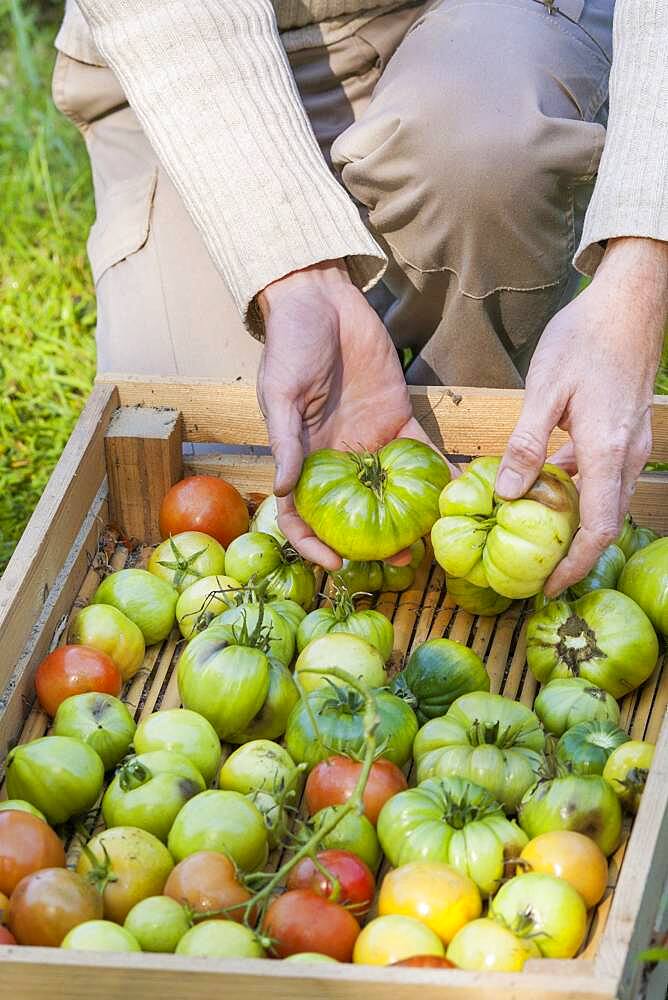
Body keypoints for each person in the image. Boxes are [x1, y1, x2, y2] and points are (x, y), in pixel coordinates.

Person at [55, 1, 667, 592]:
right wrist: (293, 276)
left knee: (487, 157)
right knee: (215, 464)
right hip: (188, 61)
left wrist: (638, 282)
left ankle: (483, 422)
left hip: (469, 21)